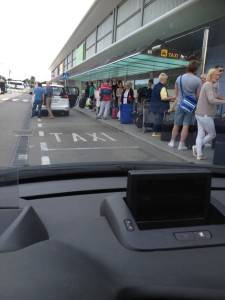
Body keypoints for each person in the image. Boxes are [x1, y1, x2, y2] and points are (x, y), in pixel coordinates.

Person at [168, 60, 202, 150]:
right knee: (186, 125)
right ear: (195, 70)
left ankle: (172, 142)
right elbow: (198, 96)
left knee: (176, 124)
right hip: (190, 105)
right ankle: (181, 145)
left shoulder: (179, 78)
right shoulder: (198, 80)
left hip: (180, 103)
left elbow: (176, 93)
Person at [192, 68, 225, 160]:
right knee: (212, 134)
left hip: (199, 114)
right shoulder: (209, 85)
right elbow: (211, 100)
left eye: (219, 75)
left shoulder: (208, 85)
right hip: (205, 115)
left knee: (200, 134)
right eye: (216, 75)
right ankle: (196, 147)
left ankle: (199, 155)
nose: (218, 77)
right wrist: (224, 101)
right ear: (210, 75)